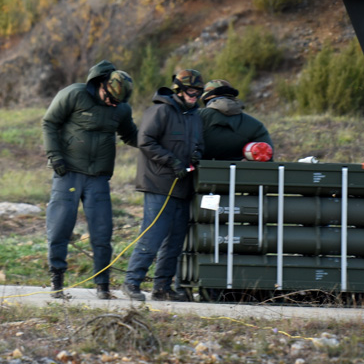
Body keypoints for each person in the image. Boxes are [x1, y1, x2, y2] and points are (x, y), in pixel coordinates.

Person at [42, 60, 138, 300]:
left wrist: (157, 144)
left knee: (102, 233)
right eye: (110, 99)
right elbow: (49, 123)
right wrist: (55, 157)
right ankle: (57, 283)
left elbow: (131, 135)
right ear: (102, 85)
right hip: (68, 173)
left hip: (98, 178)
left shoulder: (121, 109)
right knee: (59, 229)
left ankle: (103, 286)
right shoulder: (74, 95)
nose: (112, 104)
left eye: (117, 102)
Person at [122, 68, 204, 302]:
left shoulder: (195, 116)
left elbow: (199, 144)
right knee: (152, 236)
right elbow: (144, 141)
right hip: (159, 185)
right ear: (178, 89)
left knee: (175, 241)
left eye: (198, 91)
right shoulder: (160, 110)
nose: (194, 94)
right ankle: (131, 283)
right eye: (190, 90)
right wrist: (172, 161)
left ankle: (162, 288)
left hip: (183, 186)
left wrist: (197, 155)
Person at [198, 79, 274, 161]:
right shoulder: (256, 126)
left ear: (205, 98)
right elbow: (267, 161)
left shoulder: (195, 116)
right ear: (232, 96)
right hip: (236, 173)